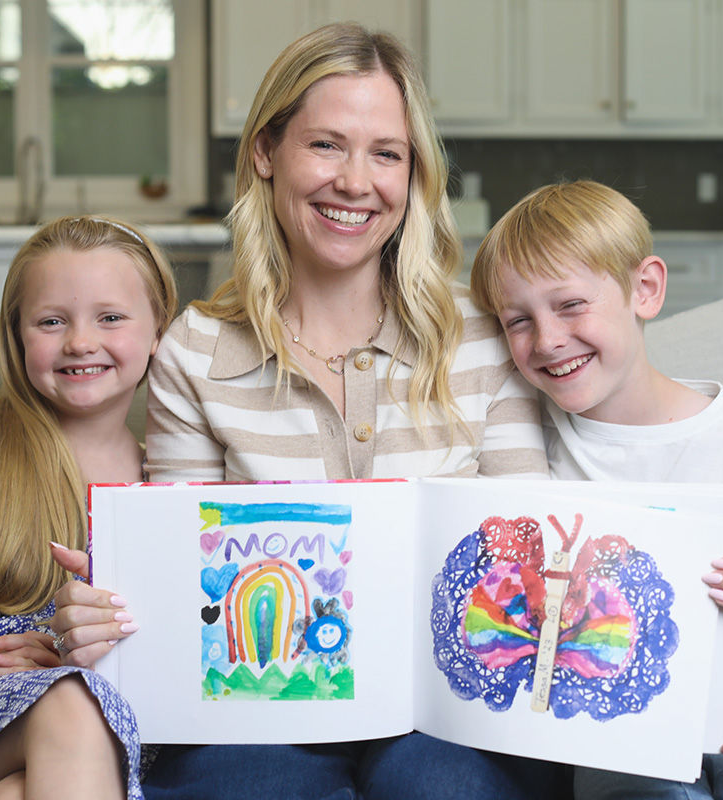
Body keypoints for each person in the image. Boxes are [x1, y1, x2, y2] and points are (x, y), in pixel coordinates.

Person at [97, 19, 550, 800]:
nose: (356, 181)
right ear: (266, 154)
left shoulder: (484, 339)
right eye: (326, 145)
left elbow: (528, 564)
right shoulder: (193, 353)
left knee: (443, 786)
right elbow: (182, 593)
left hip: (446, 708)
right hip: (259, 715)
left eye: (387, 154)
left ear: (414, 176)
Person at [471, 179, 723, 799]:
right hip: (609, 729)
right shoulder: (521, 440)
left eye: (570, 305)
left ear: (644, 289)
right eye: (518, 321)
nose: (546, 341)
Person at [0, 215, 177, 800]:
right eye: (51, 321)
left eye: (111, 318)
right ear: (16, 335)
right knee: (72, 699)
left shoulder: (174, 487)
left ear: (159, 332)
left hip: (95, 753)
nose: (80, 341)